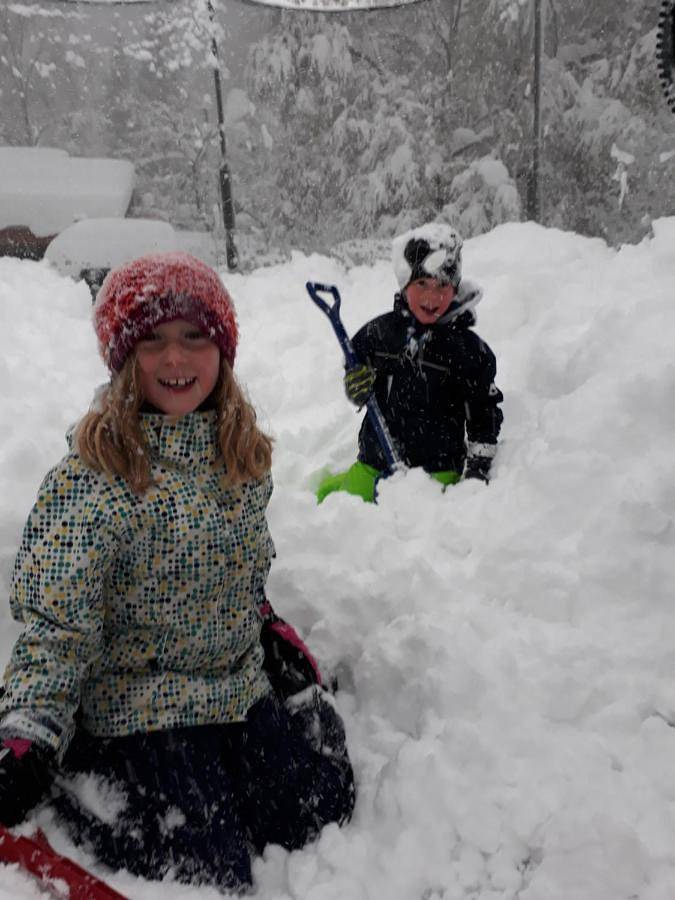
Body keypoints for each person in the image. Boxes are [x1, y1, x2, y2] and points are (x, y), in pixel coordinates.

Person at [0, 252, 355, 891]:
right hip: (144, 709)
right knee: (210, 871)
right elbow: (57, 629)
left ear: (222, 350)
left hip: (234, 690)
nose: (175, 359)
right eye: (152, 342)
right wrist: (29, 732)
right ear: (121, 361)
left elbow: (236, 571)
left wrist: (265, 626)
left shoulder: (238, 457)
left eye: (195, 337)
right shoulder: (93, 481)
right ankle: (73, 793)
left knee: (316, 808)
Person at [317, 223, 503, 503]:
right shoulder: (378, 334)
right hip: (375, 462)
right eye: (422, 284)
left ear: (455, 288)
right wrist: (355, 385)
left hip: (437, 473)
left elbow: (482, 412)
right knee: (331, 510)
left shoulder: (468, 351)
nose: (432, 296)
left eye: (443, 285)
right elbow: (355, 367)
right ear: (405, 284)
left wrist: (477, 468)